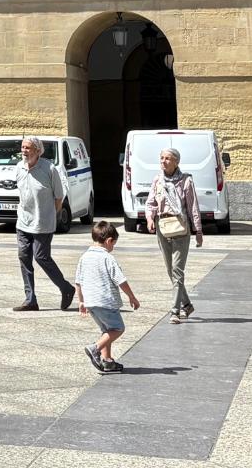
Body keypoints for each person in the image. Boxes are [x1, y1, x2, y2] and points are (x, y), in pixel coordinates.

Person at [11, 136, 75, 313]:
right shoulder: (18, 167)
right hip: (23, 221)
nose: (24, 151)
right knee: (24, 257)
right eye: (23, 147)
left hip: (43, 222)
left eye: (28, 148)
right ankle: (30, 300)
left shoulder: (50, 169)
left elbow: (59, 197)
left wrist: (51, 216)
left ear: (38, 151)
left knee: (41, 257)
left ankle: (66, 288)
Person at [145, 147, 204, 323]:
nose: (163, 161)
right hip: (162, 226)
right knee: (171, 271)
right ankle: (187, 304)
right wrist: (149, 218)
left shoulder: (185, 181)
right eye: (161, 158)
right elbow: (151, 203)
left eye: (168, 158)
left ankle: (175, 311)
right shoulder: (158, 180)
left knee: (177, 270)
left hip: (180, 227)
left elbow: (193, 207)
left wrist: (198, 230)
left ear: (176, 161)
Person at [75, 221, 140, 373]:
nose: (113, 248)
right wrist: (132, 297)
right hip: (106, 301)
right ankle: (95, 348)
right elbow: (121, 280)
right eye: (113, 244)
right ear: (109, 241)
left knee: (107, 330)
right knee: (117, 328)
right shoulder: (107, 258)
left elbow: (78, 282)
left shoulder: (84, 257)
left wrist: (81, 301)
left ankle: (108, 361)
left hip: (91, 302)